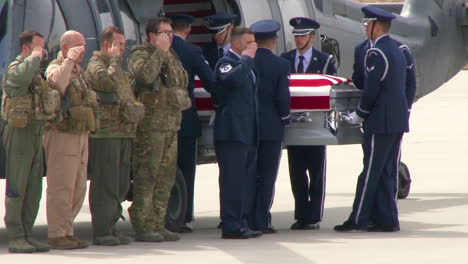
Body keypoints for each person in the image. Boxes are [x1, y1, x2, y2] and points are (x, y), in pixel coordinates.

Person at [334, 6, 412, 232]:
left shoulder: (376, 53)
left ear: (376, 27)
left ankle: (358, 218)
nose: (366, 28)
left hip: (380, 121)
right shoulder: (398, 49)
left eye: (367, 24)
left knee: (370, 172)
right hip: (396, 120)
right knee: (387, 171)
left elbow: (371, 90)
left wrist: (359, 114)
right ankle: (388, 220)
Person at [128, 17, 190, 242]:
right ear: (152, 36)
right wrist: (160, 52)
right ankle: (143, 225)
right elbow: (144, 76)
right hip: (150, 128)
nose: (170, 37)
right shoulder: (141, 54)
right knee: (148, 176)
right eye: (165, 33)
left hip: (170, 125)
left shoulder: (172, 55)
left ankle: (157, 222)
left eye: (171, 32)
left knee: (166, 178)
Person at [2, 30, 60, 253]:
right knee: (18, 186)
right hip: (19, 133)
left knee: (34, 187)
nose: (43, 52)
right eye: (38, 47)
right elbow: (20, 78)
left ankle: (27, 232)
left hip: (36, 132)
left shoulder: (36, 73)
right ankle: (16, 235)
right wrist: (34, 57)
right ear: (26, 49)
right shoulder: (16, 68)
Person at [86, 26, 143, 246]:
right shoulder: (97, 65)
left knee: (119, 183)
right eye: (118, 44)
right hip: (106, 133)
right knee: (106, 182)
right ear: (106, 44)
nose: (122, 48)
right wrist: (114, 61)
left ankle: (111, 225)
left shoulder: (117, 67)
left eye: (123, 44)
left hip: (123, 131)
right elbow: (108, 83)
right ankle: (101, 231)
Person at [280, 17, 336, 230]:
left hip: (314, 125)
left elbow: (330, 91)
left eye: (302, 35)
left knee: (316, 171)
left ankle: (314, 216)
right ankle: (301, 214)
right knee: (296, 172)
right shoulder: (285, 60)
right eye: (296, 35)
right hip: (294, 124)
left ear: (312, 37)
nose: (298, 39)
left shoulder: (324, 61)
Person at [44, 30, 97, 250]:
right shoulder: (56, 66)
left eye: (84, 45)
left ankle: (67, 229)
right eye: (78, 46)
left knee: (77, 186)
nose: (82, 50)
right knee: (61, 186)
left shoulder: (79, 70)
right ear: (65, 47)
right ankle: (57, 233)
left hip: (80, 133)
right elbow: (57, 84)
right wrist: (69, 60)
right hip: (62, 134)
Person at [169, 14, 216, 233]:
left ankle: (160, 214)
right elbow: (211, 83)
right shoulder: (192, 52)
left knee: (161, 170)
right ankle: (184, 217)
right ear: (187, 30)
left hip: (159, 123)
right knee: (186, 171)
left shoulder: (155, 50)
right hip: (185, 122)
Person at [214, 26, 262, 239]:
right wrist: (247, 59)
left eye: (254, 42)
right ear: (235, 44)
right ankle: (231, 224)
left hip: (247, 132)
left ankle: (242, 221)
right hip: (231, 133)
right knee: (232, 180)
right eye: (248, 42)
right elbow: (231, 79)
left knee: (245, 180)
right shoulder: (226, 62)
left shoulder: (248, 65)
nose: (253, 46)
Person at [248, 20, 291, 234]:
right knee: (267, 176)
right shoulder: (281, 65)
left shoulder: (246, 61)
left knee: (249, 174)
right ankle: (262, 220)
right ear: (274, 41)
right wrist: (285, 119)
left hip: (248, 127)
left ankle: (246, 218)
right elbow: (282, 98)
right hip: (272, 127)